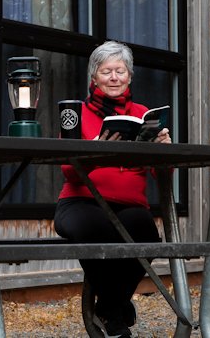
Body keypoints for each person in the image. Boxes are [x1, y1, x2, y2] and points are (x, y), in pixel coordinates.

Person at [54, 40, 171, 338]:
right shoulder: (75, 113)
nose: (114, 77)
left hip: (131, 205)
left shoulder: (146, 113)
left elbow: (165, 176)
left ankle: (108, 306)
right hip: (81, 202)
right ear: (94, 77)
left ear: (130, 76)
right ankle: (116, 310)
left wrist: (163, 152)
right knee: (95, 228)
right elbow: (68, 170)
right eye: (107, 71)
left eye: (120, 71)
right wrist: (96, 151)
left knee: (144, 231)